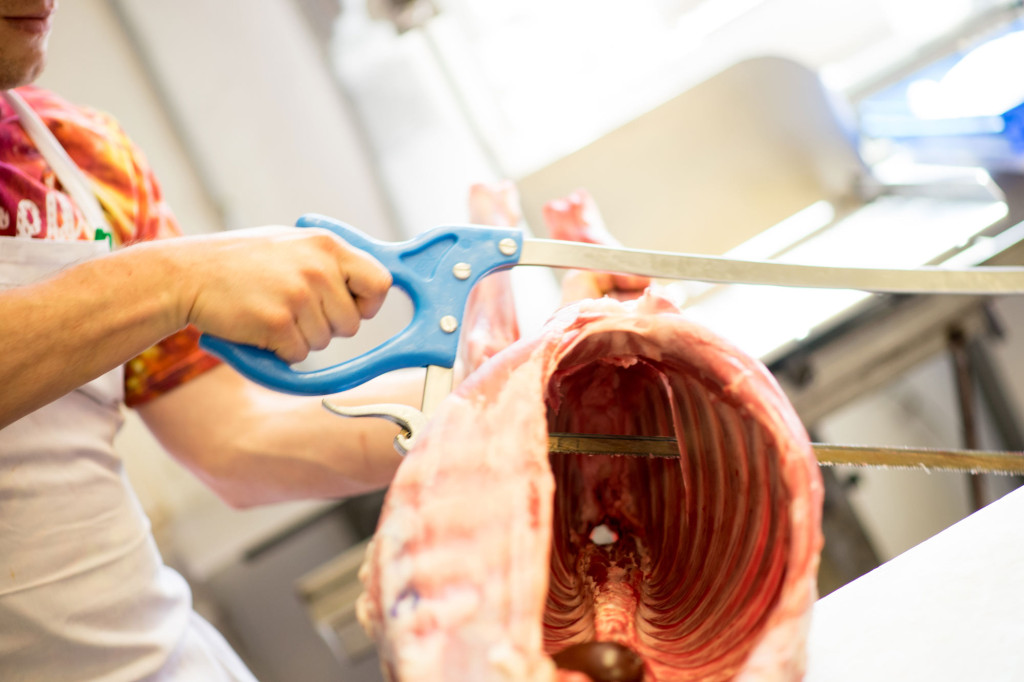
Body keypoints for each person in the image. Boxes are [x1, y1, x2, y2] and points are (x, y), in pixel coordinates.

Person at [0, 2, 423, 680]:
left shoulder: (78, 156)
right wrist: (172, 280)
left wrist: (503, 387)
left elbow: (235, 439)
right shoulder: (164, 279)